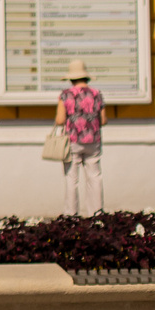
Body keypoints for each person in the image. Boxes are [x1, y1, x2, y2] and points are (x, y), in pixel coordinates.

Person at [55, 58, 104, 216]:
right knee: (94, 176)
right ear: (86, 77)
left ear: (71, 78)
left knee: (71, 178)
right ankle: (96, 213)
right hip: (93, 140)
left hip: (72, 140)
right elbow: (103, 120)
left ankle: (71, 214)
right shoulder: (96, 94)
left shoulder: (65, 95)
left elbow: (60, 120)